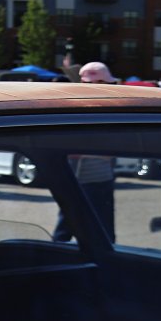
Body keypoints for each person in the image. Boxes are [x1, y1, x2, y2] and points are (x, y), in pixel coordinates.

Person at [51, 61, 119, 243]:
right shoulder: (99, 109)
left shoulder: (101, 109)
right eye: (105, 84)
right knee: (74, 231)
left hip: (94, 178)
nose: (111, 88)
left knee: (95, 233)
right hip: (87, 179)